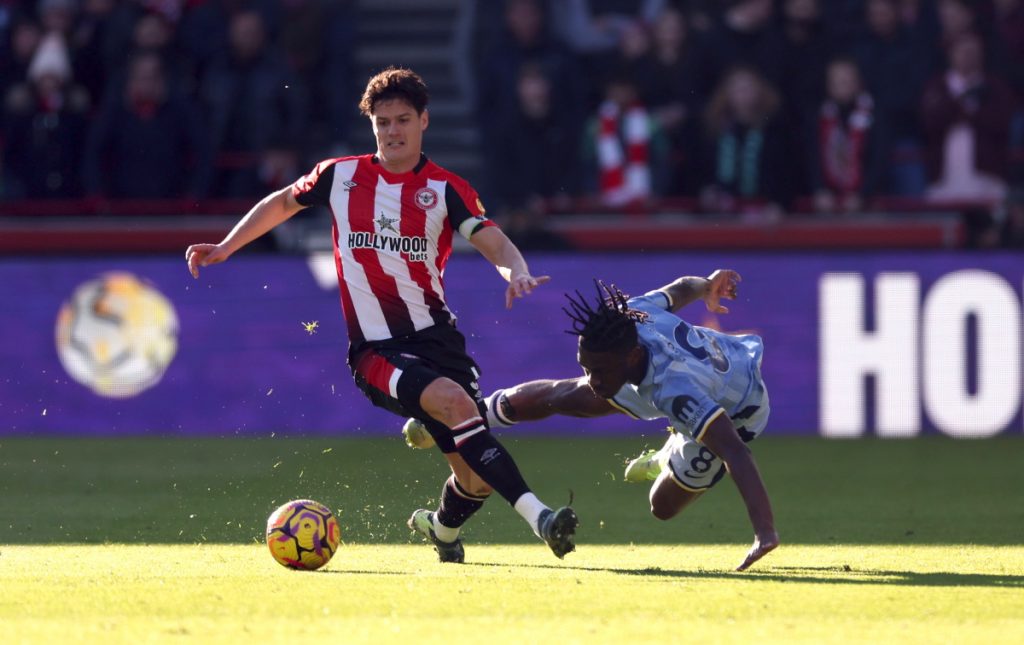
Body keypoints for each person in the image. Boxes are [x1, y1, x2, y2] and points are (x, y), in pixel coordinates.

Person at [185, 67, 578, 564]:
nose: (393, 131)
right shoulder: (341, 175)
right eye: (383, 122)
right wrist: (226, 245)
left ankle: (440, 528)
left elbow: (490, 238)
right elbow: (283, 202)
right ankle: (541, 517)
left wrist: (515, 270)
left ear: (424, 122)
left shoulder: (445, 188)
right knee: (456, 404)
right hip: (376, 350)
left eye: (403, 120)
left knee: (474, 479)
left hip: (438, 340)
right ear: (372, 126)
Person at [404, 269, 779, 571]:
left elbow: (734, 451)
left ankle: (667, 454)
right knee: (566, 395)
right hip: (689, 377)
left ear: (631, 358)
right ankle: (470, 413)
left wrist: (765, 532)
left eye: (600, 370)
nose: (594, 378)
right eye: (588, 366)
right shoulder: (631, 316)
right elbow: (681, 287)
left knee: (662, 506)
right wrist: (708, 284)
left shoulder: (673, 389)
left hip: (737, 411)